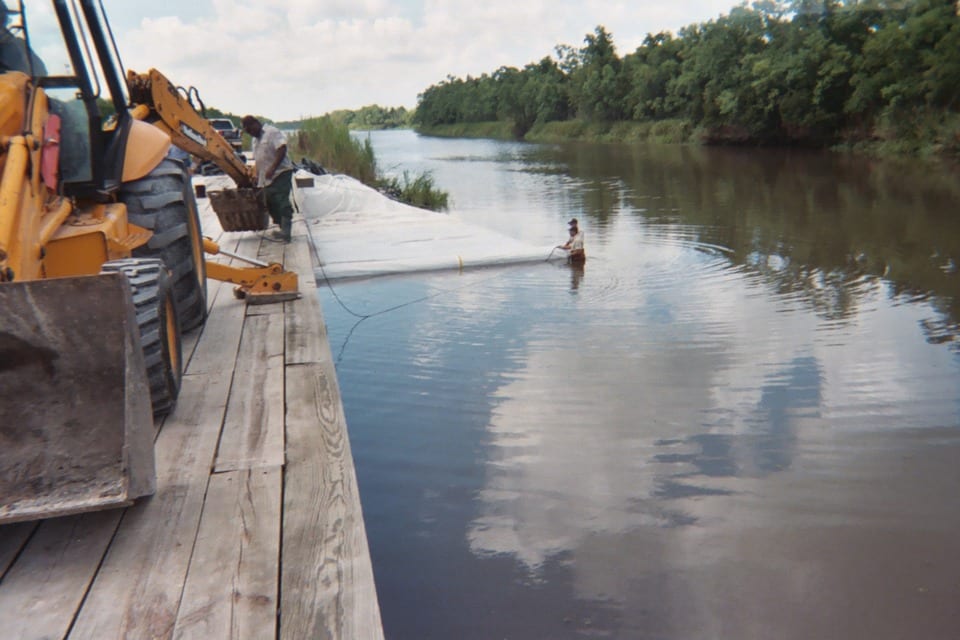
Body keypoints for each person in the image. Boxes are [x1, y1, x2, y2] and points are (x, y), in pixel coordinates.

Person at [242, 115, 295, 242]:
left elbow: (282, 149)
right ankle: (282, 227)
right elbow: (258, 159)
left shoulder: (272, 132)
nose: (250, 134)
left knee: (281, 200)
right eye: (247, 132)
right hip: (266, 177)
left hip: (281, 172)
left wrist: (273, 167)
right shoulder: (255, 140)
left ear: (256, 124)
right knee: (269, 201)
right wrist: (255, 174)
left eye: (250, 130)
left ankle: (286, 232)